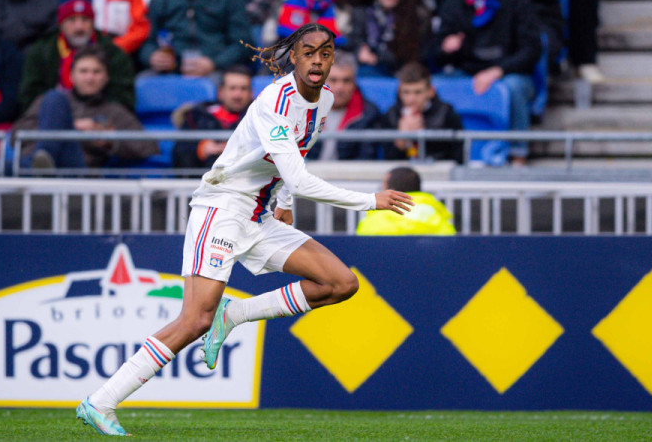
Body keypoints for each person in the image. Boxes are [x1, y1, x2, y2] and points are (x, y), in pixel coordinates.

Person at [75, 23, 414, 436]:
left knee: (340, 283)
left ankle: (233, 315)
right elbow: (302, 177)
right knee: (194, 320)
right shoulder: (276, 99)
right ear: (294, 57)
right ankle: (100, 401)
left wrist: (284, 204)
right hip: (222, 208)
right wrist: (369, 200)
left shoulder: (323, 100)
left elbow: (295, 159)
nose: (318, 61)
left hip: (260, 213)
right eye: (309, 52)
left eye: (326, 54)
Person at [432, 0, 540, 163]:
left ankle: (518, 155)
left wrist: (497, 71)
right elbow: (436, 54)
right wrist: (446, 47)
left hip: (509, 72)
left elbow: (532, 50)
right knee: (436, 85)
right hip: (466, 72)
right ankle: (444, 151)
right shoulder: (452, 3)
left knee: (513, 87)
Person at [14, 44, 158, 169]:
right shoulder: (48, 102)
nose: (90, 77)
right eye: (83, 71)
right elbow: (16, 135)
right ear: (71, 76)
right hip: (31, 165)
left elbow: (149, 147)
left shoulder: (114, 111)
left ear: (106, 77)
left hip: (75, 171)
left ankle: (36, 165)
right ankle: (39, 162)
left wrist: (111, 142)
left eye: (96, 72)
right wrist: (69, 126)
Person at [18, 0, 136, 113]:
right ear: (61, 23)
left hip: (100, 121)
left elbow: (125, 98)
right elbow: (28, 96)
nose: (79, 27)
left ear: (93, 22)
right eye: (72, 20)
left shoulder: (113, 53)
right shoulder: (41, 52)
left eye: (85, 19)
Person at [348, 0, 430, 77]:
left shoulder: (418, 15)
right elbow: (353, 42)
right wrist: (359, 51)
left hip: (405, 74)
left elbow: (418, 54)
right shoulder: (360, 13)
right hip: (369, 70)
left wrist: (378, 57)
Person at [172, 65, 255, 169]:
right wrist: (201, 149)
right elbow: (178, 154)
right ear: (220, 92)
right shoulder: (196, 116)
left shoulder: (259, 118)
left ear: (251, 93)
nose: (237, 95)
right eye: (232, 88)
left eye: (244, 89)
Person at [380, 61, 464, 163]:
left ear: (431, 91)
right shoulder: (392, 115)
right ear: (399, 91)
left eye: (418, 92)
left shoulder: (446, 113)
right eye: (406, 92)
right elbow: (387, 161)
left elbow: (458, 156)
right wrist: (401, 141)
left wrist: (423, 135)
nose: (411, 99)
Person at [307, 51, 381, 160]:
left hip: (350, 175)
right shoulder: (302, 108)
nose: (340, 87)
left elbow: (366, 160)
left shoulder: (368, 113)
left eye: (346, 81)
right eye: (333, 80)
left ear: (354, 83)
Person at [357, 166, 455, 235]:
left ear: (391, 190)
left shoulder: (377, 218)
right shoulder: (436, 215)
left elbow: (362, 247)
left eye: (383, 186)